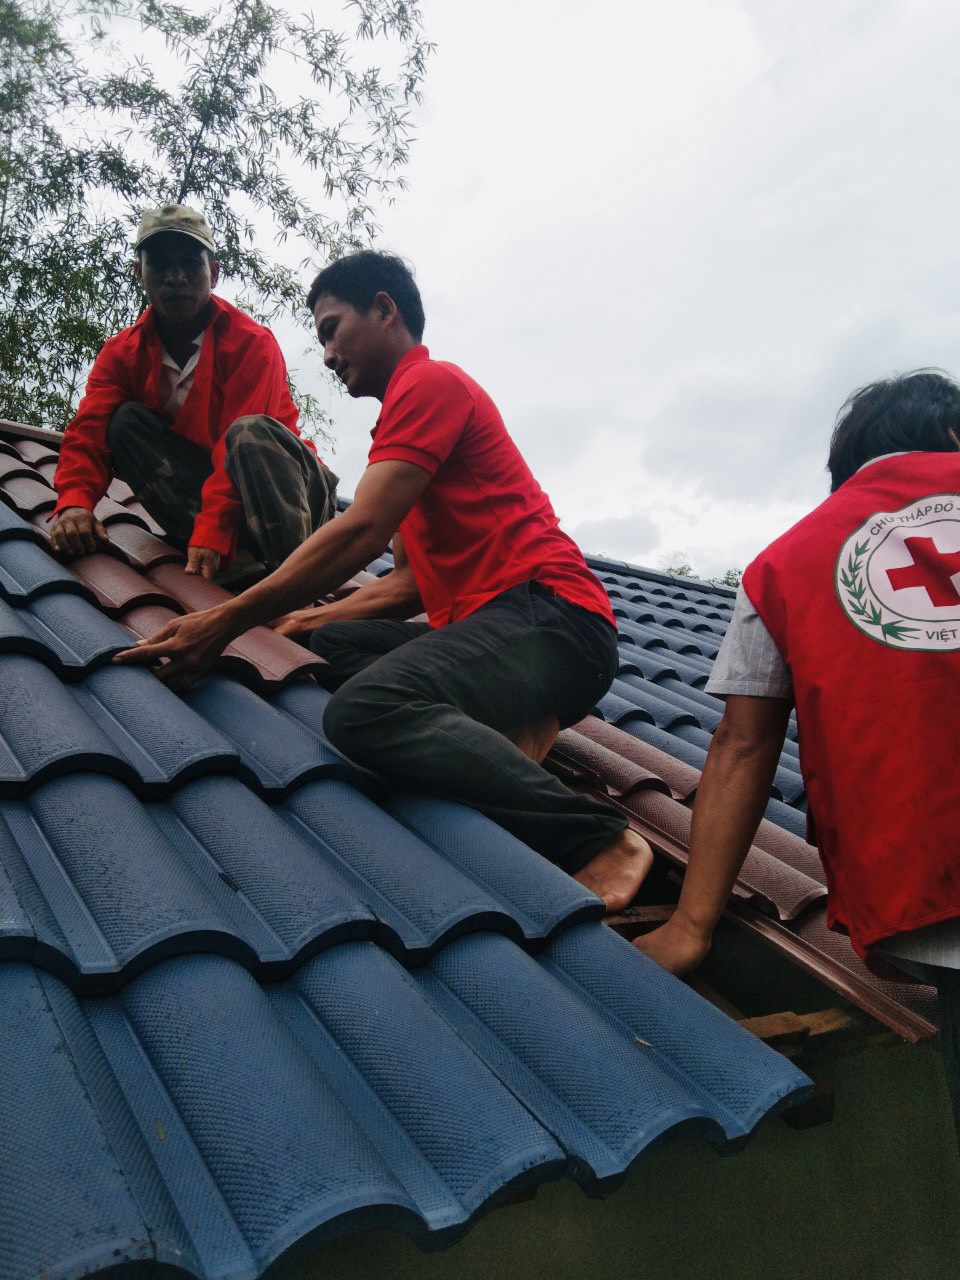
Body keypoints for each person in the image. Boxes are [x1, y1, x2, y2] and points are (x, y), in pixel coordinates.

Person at [114, 249, 653, 908]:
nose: (330, 355)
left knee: (364, 711)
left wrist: (226, 620)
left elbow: (361, 529)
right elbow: (408, 588)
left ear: (385, 309)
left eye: (332, 330)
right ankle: (514, 716)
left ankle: (602, 840)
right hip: (507, 632)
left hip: (555, 619)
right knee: (332, 648)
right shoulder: (402, 429)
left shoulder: (431, 386)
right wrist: (306, 620)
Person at [635, 370, 960, 1137]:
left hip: (929, 897)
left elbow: (742, 748)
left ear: (845, 470)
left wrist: (691, 924)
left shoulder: (784, 564)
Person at [50, 203, 338, 580]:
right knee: (124, 423)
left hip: (296, 504)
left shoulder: (251, 344)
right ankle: (237, 563)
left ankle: (294, 579)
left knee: (249, 433)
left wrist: (212, 533)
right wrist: (74, 503)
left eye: (189, 264)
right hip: (212, 499)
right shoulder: (122, 353)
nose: (175, 278)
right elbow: (87, 433)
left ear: (213, 273)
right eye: (160, 266)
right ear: (140, 273)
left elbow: (232, 449)